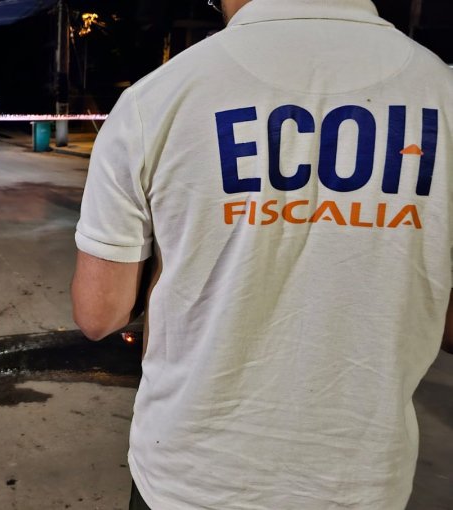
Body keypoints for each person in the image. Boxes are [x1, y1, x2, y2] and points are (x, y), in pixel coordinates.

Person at [70, 0, 453, 508]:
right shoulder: (443, 92)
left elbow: (100, 313)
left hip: (189, 479)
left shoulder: (157, 99)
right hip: (360, 481)